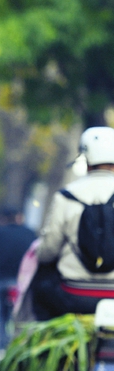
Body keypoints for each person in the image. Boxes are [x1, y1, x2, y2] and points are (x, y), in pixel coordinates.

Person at [33, 126, 114, 319]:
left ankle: (45, 345)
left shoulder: (66, 195)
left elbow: (48, 251)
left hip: (74, 294)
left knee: (41, 288)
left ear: (85, 159)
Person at [0, 207, 36, 349]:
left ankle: (1, 346)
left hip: (3, 281)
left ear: (2, 219)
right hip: (25, 282)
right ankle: (24, 343)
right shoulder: (30, 233)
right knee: (25, 314)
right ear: (20, 217)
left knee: (2, 315)